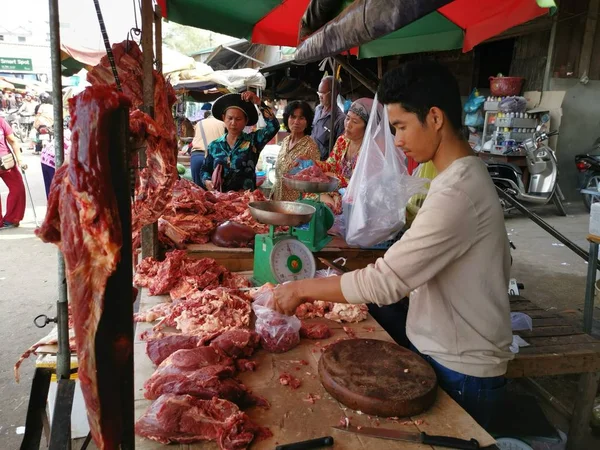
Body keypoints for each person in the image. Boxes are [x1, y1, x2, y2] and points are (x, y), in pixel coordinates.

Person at [270, 60, 513, 428]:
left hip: (464, 368)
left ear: (434, 118)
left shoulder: (459, 190)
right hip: (447, 353)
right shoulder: (460, 177)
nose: (397, 140)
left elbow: (385, 282)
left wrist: (301, 289)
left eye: (400, 126)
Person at [304, 97, 378, 215]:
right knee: (308, 197)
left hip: (357, 201)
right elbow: (331, 164)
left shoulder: (370, 151)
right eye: (347, 119)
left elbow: (363, 185)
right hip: (336, 192)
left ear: (367, 127)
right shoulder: (342, 141)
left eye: (355, 122)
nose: (348, 124)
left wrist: (333, 178)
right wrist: (312, 164)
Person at [201, 91, 279, 192]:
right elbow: (205, 169)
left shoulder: (254, 141)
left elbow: (274, 127)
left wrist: (259, 103)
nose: (233, 123)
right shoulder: (214, 146)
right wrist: (207, 181)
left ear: (246, 121)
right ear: (223, 118)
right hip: (220, 201)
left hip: (245, 201)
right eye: (230, 118)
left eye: (238, 119)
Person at [271, 101, 319, 201]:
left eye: (301, 118)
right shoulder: (285, 141)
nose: (296, 122)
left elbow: (314, 180)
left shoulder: (310, 146)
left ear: (307, 122)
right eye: (293, 117)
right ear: (287, 118)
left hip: (296, 204)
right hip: (277, 199)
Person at [0, 116, 27, 229]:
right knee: (18, 187)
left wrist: (20, 160)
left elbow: (12, 140)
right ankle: (12, 219)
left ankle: (12, 219)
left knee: (17, 187)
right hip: (5, 161)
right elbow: (12, 140)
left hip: (6, 162)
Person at [311, 76, 345, 161]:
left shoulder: (340, 119)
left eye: (323, 93)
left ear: (335, 93)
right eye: (319, 93)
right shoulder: (318, 109)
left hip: (324, 164)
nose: (320, 96)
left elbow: (339, 150)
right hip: (310, 159)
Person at [190, 105, 225, 186]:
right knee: (216, 194)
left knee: (198, 193)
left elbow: (195, 138)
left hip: (197, 157)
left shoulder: (199, 123)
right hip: (215, 159)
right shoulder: (223, 123)